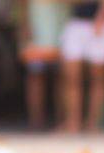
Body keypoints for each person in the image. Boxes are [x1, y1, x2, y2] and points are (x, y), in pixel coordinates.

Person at [60, 1, 104, 131]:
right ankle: (73, 123)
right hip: (76, 23)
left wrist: (103, 15)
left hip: (101, 22)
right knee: (71, 78)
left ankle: (93, 124)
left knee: (99, 78)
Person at [21, 1, 68, 130]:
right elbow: (22, 4)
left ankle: (62, 120)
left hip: (61, 26)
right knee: (35, 76)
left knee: (62, 76)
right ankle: (36, 120)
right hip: (36, 28)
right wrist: (24, 25)